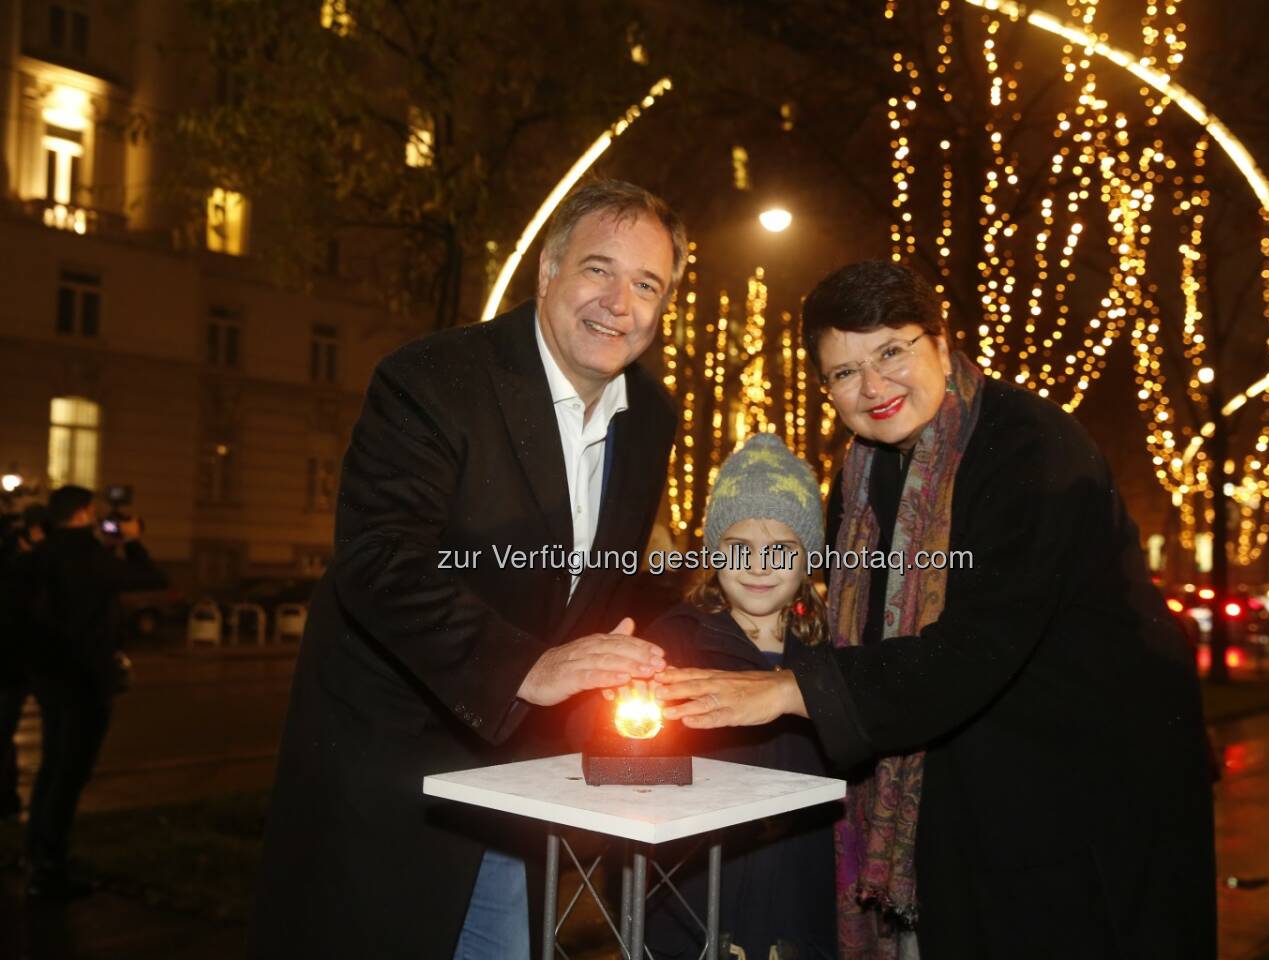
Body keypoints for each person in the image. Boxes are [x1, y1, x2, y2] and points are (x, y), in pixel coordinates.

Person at [657, 261, 1217, 959]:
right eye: (843, 373)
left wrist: (791, 688)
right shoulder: (863, 476)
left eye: (891, 351)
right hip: (967, 795)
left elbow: (980, 645)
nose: (872, 386)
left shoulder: (1032, 448)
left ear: (941, 341)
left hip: (1085, 797)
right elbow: (826, 610)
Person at [250, 179, 685, 960]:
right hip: (393, 760)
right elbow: (380, 559)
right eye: (599, 269)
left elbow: (601, 576)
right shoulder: (433, 379)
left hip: (522, 763)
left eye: (647, 283)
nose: (620, 303)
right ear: (548, 268)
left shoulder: (653, 416)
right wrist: (528, 666)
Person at [638, 433, 837, 960]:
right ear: (713, 551)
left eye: (781, 548)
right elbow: (625, 754)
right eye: (739, 547)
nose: (759, 564)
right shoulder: (677, 639)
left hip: (803, 897)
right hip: (694, 897)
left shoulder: (831, 655)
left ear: (808, 557)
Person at [24, 486, 166, 899]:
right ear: (85, 514)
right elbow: (152, 579)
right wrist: (133, 541)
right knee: (70, 774)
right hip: (86, 679)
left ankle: (37, 853)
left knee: (52, 768)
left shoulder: (42, 556)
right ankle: (49, 870)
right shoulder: (91, 557)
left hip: (48, 676)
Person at [0, 505, 49, 822]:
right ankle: (7, 803)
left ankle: (7, 802)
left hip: (15, 666)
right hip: (12, 664)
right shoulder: (20, 568)